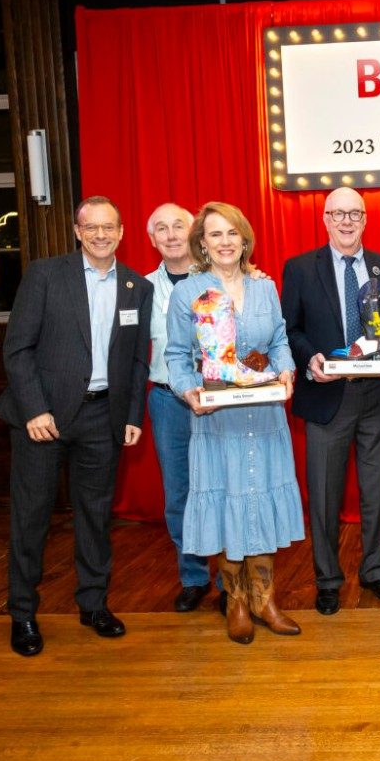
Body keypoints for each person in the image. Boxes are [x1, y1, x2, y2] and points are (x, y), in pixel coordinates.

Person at [0, 196, 153, 657]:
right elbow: (17, 348)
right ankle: (23, 613)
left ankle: (94, 604)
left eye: (109, 227)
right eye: (91, 227)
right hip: (43, 418)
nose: (101, 235)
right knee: (31, 517)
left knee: (96, 517)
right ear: (78, 232)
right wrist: (34, 409)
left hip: (103, 417)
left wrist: (131, 415)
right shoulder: (46, 275)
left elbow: (137, 359)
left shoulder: (137, 287)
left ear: (121, 232)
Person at [165, 202, 303, 644]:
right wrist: (189, 391)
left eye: (232, 233)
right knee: (227, 506)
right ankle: (237, 603)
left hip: (264, 416)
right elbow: (175, 356)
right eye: (215, 234)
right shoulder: (188, 293)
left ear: (244, 240)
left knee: (261, 501)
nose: (225, 241)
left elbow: (279, 340)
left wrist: (286, 370)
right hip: (217, 420)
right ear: (202, 243)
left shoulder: (265, 287)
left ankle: (265, 600)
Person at [280, 187, 380, 616]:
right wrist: (309, 358)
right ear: (324, 219)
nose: (346, 221)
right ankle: (327, 580)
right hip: (327, 395)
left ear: (366, 219)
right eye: (338, 213)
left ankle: (374, 571)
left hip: (376, 395)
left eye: (354, 213)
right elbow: (290, 329)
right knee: (324, 495)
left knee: (378, 490)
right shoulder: (300, 268)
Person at [144, 202, 212, 613]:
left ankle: (232, 579)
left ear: (194, 233)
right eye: (161, 228)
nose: (171, 235)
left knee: (222, 488)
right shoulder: (140, 289)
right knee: (179, 494)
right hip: (168, 401)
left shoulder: (219, 280)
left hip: (218, 399)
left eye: (178, 226)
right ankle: (194, 577)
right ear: (151, 239)